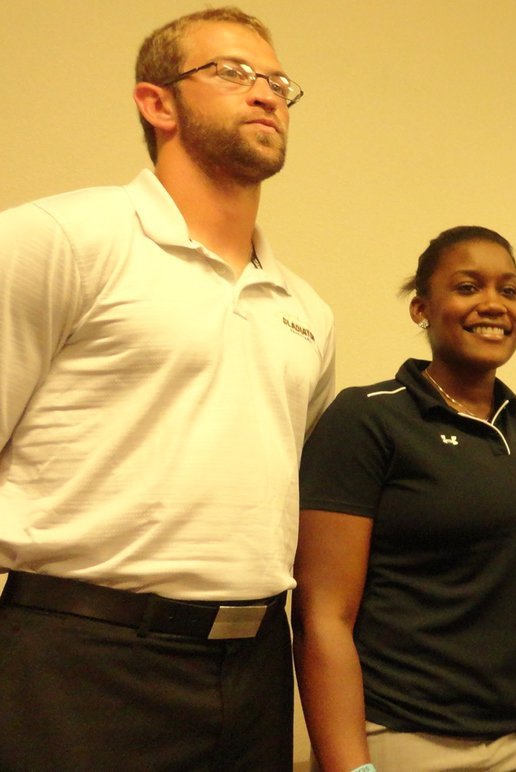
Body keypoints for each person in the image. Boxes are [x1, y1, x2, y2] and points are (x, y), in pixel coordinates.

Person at [0, 7, 333, 770]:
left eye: (277, 80)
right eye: (232, 72)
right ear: (157, 103)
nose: (266, 93)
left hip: (254, 665)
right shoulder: (61, 240)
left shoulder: (308, 311)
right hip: (77, 663)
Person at [293, 226, 516, 772]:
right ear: (421, 309)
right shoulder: (368, 418)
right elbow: (321, 616)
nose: (493, 304)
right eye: (468, 287)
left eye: (508, 290)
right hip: (404, 732)